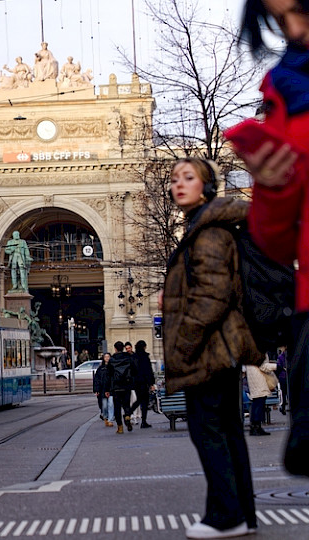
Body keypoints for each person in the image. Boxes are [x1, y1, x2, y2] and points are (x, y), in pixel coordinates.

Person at [163, 157, 261, 538]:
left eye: (188, 178)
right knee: (227, 431)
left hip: (211, 350)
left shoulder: (208, 232)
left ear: (206, 186)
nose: (178, 185)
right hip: (219, 349)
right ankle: (241, 515)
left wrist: (183, 346)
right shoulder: (204, 227)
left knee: (210, 432)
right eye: (174, 179)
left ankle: (225, 516)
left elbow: (212, 297)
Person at [237, 0, 309, 478]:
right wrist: (271, 184)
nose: (296, 29)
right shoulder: (284, 91)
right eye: (281, 20)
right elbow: (278, 244)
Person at [106, 341, 135, 434]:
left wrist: (107, 389)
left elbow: (109, 375)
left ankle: (120, 427)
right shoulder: (128, 358)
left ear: (115, 348)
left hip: (116, 387)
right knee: (126, 404)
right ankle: (127, 415)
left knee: (117, 407)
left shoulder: (112, 359)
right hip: (126, 385)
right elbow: (134, 370)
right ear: (123, 348)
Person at [246, 357, 277, 437]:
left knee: (256, 403)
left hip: (254, 378)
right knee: (259, 404)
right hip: (259, 379)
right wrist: (276, 366)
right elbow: (263, 366)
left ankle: (255, 427)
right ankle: (256, 427)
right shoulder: (258, 349)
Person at [132, 340, 156, 429]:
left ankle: (128, 413)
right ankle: (143, 421)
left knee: (139, 400)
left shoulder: (133, 357)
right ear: (144, 347)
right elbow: (148, 371)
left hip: (136, 382)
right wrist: (151, 383)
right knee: (144, 402)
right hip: (144, 382)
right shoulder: (145, 357)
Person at [94, 353, 113, 427]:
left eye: (108, 356)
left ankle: (110, 420)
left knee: (111, 405)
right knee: (104, 406)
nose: (107, 358)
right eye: (106, 357)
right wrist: (96, 389)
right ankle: (105, 417)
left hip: (111, 389)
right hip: (102, 390)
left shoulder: (112, 367)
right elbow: (96, 379)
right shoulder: (100, 368)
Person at [277, 348, 288, 415]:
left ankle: (283, 406)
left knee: (284, 393)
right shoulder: (281, 357)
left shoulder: (281, 356)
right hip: (284, 377)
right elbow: (279, 366)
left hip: (283, 376)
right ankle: (283, 406)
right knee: (284, 393)